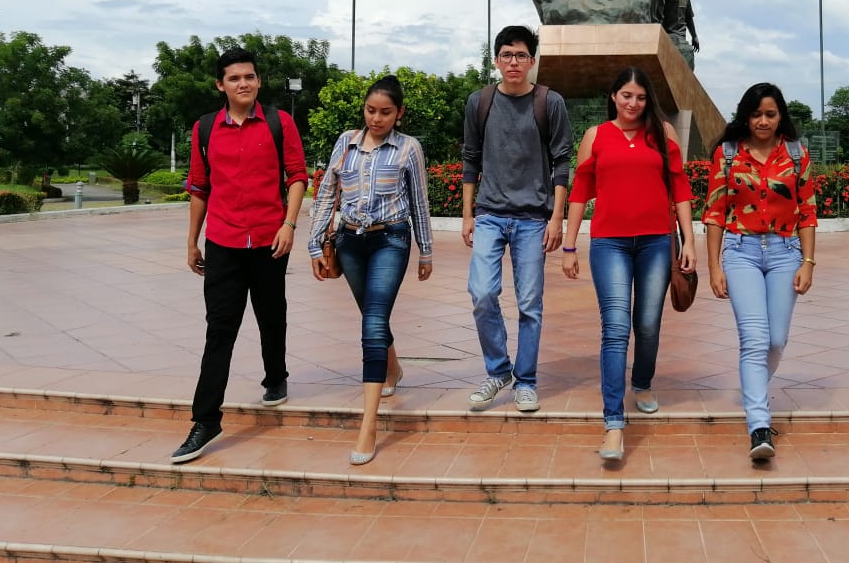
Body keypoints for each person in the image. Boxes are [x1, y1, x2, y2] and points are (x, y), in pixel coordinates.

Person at [173, 48, 308, 464]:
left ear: (258, 81)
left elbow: (298, 175)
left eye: (249, 77)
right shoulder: (205, 129)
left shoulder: (278, 122)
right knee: (220, 330)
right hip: (224, 244)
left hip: (270, 239)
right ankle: (206, 419)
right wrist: (192, 240)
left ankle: (276, 377)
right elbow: (199, 187)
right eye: (234, 78)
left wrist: (289, 224)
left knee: (272, 314)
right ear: (221, 85)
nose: (243, 84)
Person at [561, 66, 696, 462]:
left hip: (656, 241)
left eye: (639, 97)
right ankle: (614, 423)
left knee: (649, 323)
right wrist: (569, 245)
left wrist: (688, 239)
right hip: (609, 244)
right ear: (613, 96)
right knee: (616, 326)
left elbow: (680, 187)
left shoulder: (663, 134)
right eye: (626, 96)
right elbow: (580, 190)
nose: (633, 104)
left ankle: (642, 380)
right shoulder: (596, 136)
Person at [307, 75, 434, 465]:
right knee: (370, 315)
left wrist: (425, 251)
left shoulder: (408, 148)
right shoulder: (345, 142)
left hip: (391, 240)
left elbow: (418, 201)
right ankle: (392, 370)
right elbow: (327, 191)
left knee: (374, 322)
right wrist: (315, 241)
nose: (376, 119)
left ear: (400, 113)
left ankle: (368, 425)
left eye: (386, 112)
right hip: (349, 242)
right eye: (371, 110)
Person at [703, 83, 817, 462]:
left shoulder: (797, 154)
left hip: (786, 252)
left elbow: (808, 210)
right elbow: (715, 211)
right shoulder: (728, 153)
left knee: (776, 340)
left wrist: (808, 262)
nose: (763, 121)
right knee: (754, 338)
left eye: (770, 114)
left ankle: (753, 391)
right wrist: (714, 265)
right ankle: (758, 424)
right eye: (756, 114)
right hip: (741, 251)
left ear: (780, 115)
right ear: (745, 116)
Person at [462, 25, 572, 412]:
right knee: (481, 293)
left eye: (521, 55)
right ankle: (498, 371)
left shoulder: (549, 102)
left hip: (532, 218)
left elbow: (562, 161)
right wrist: (467, 213)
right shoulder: (480, 101)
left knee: (529, 303)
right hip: (490, 214)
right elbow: (470, 158)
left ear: (532, 61)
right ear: (496, 60)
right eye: (507, 54)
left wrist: (556, 217)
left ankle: (525, 380)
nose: (513, 62)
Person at [664, 0, 700, 69]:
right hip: (665, 33)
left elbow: (689, 19)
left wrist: (694, 36)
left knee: (687, 57)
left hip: (680, 35)